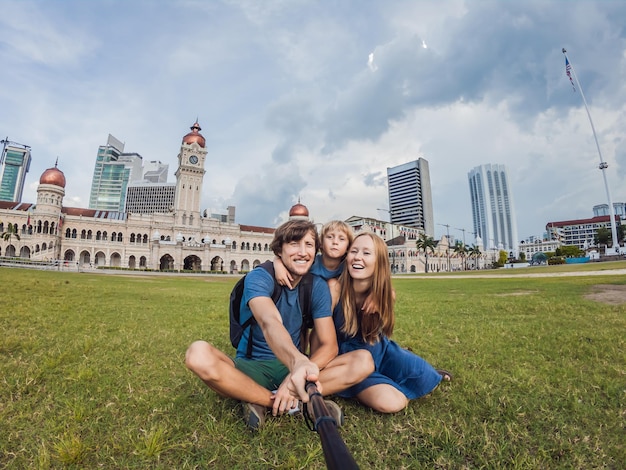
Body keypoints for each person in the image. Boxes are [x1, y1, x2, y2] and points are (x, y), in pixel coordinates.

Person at [185, 219, 373, 430]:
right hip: (253, 367)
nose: (303, 252)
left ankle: (258, 397)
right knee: (198, 354)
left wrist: (297, 372)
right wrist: (297, 365)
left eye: (309, 245)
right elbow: (269, 321)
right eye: (294, 243)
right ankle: (287, 401)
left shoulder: (317, 286)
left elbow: (329, 345)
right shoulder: (259, 277)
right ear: (279, 250)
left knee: (363, 360)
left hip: (294, 369)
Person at [329, 231, 451, 413]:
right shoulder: (335, 288)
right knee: (392, 403)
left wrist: (382, 296)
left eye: (366, 253)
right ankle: (353, 385)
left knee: (427, 376)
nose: (358, 257)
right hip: (347, 360)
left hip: (379, 351)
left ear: (379, 262)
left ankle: (400, 366)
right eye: (354, 251)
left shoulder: (382, 295)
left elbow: (388, 293)